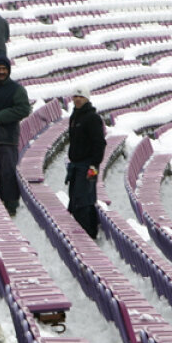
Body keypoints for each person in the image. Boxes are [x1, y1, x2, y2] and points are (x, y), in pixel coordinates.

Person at [0, 56, 30, 217]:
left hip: (8, 139)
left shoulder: (17, 90)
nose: (1, 72)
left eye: (4, 69)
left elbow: (23, 109)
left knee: (7, 173)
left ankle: (11, 205)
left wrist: (1, 117)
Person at [65, 86, 105, 238]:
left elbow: (99, 143)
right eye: (75, 96)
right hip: (76, 166)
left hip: (89, 166)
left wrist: (94, 166)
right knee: (76, 198)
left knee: (84, 200)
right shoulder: (74, 117)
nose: (77, 99)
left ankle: (88, 235)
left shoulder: (92, 118)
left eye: (80, 97)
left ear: (87, 99)